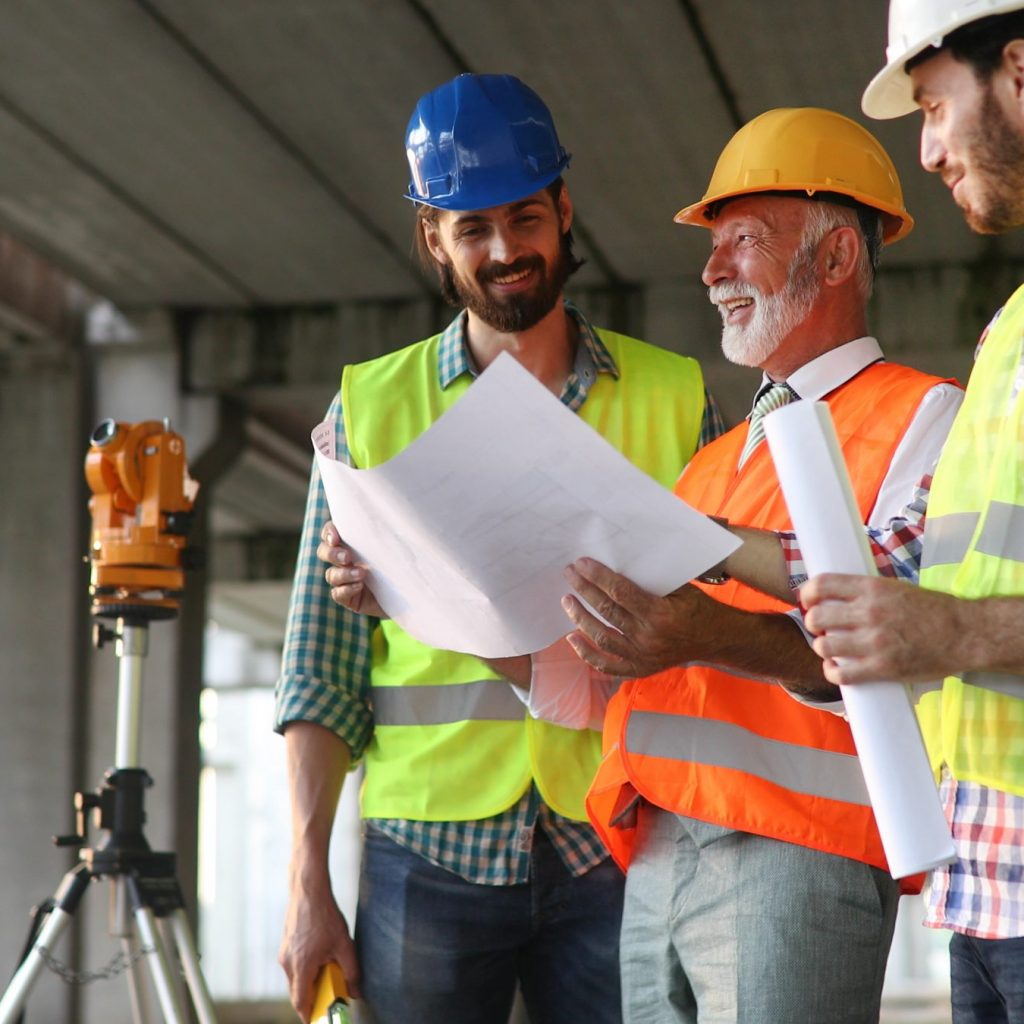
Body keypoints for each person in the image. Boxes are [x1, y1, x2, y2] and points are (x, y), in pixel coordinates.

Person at [274, 72, 722, 1024]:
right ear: (433, 239)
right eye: (471, 228)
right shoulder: (367, 412)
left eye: (524, 218)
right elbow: (319, 670)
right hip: (426, 851)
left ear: (564, 210)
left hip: (621, 835)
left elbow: (725, 637)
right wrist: (307, 880)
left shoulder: (676, 397)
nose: (505, 250)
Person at [555, 107, 964, 1024]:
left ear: (836, 259)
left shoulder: (927, 417)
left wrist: (714, 633)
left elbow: (905, 638)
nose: (709, 271)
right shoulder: (715, 458)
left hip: (800, 847)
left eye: (742, 239)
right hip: (660, 847)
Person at [794, 5, 1024, 1021]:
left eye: (933, 105)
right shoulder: (1008, 331)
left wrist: (958, 631)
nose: (925, 149)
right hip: (985, 883)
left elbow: (957, 614)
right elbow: (927, 556)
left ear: (1017, 69)